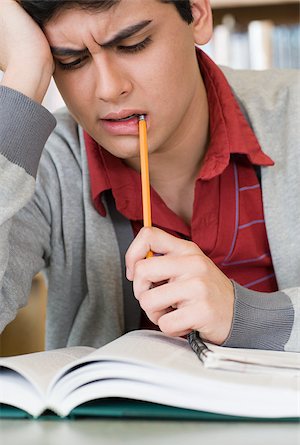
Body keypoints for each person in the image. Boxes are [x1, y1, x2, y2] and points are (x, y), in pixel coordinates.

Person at [0, 0, 299, 352]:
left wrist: (244, 315)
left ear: (198, 14)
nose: (109, 89)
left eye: (133, 44)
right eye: (71, 60)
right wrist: (23, 73)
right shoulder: (34, 163)